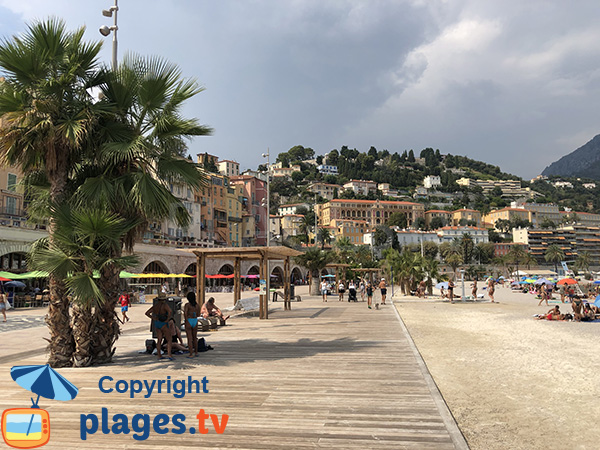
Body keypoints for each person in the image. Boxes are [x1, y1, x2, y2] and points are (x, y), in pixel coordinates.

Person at [184, 292, 201, 358]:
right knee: (195, 337)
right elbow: (198, 314)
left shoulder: (187, 305)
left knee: (189, 338)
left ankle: (191, 353)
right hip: (195, 320)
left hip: (189, 320)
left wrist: (186, 321)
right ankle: (196, 352)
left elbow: (185, 313)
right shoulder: (197, 305)